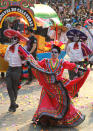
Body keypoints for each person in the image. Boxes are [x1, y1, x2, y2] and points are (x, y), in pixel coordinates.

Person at [26, 44, 90, 127]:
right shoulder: (45, 61)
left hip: (59, 86)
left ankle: (62, 120)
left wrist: (81, 69)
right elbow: (37, 65)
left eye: (55, 52)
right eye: (52, 52)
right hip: (48, 86)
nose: (53, 54)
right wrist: (30, 60)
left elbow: (72, 66)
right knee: (46, 102)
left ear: (59, 54)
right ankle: (47, 120)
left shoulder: (62, 62)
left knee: (64, 103)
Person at [4, 29, 27, 112]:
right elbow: (5, 58)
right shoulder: (9, 47)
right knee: (8, 86)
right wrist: (10, 60)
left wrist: (21, 61)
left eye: (15, 38)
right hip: (10, 68)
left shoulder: (21, 48)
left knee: (15, 87)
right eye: (12, 38)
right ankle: (13, 103)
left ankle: (12, 106)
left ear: (18, 39)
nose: (13, 40)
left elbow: (26, 59)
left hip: (17, 69)